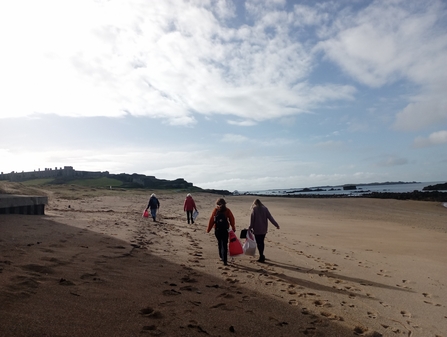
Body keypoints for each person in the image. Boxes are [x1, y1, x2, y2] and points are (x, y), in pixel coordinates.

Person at [248, 199, 279, 263]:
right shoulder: (265, 209)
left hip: (256, 229)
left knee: (259, 243)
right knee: (261, 242)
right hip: (264, 229)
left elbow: (252, 220)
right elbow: (270, 218)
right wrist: (276, 225)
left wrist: (250, 227)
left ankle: (261, 256)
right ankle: (262, 255)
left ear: (255, 203)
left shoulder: (254, 209)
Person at [207, 198, 236, 266]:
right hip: (225, 230)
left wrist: (208, 229)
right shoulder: (227, 210)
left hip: (217, 229)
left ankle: (221, 257)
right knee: (224, 244)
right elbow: (232, 219)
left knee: (220, 243)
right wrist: (233, 227)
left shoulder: (216, 210)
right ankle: (225, 260)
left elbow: (211, 220)